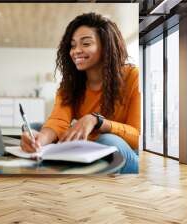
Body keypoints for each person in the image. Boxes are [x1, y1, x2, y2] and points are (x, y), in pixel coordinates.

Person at [20, 12, 140, 174]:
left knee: (108, 140)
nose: (76, 51)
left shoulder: (133, 76)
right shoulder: (69, 84)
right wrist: (39, 141)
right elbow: (58, 120)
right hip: (86, 147)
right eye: (73, 45)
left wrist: (97, 121)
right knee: (35, 128)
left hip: (125, 152)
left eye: (86, 43)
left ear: (106, 46)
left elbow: (136, 137)